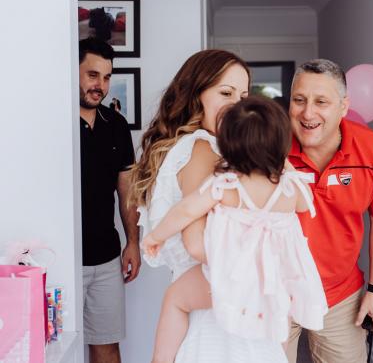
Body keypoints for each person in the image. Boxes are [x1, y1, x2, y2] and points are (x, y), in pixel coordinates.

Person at [141, 96, 328, 362]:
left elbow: (186, 211)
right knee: (278, 321)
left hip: (232, 277)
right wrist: (283, 163)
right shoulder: (290, 190)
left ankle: (161, 360)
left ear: (228, 145)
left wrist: (155, 236)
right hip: (273, 281)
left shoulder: (227, 185)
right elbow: (304, 201)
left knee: (175, 299)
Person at [130, 49, 287, 363]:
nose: (235, 105)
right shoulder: (203, 148)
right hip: (219, 310)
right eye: (225, 92)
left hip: (216, 301)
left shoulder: (211, 149)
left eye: (242, 96)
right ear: (194, 96)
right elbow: (197, 242)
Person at [285, 59, 373, 363]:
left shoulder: (371, 149)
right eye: (299, 100)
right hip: (275, 293)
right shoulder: (268, 146)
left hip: (340, 295)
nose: (307, 112)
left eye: (321, 102)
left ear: (343, 106)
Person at [78, 37, 141, 363]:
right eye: (92, 75)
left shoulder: (116, 125)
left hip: (105, 258)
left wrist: (133, 242)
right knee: (57, 348)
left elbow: (127, 190)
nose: (100, 86)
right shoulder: (52, 124)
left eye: (105, 77)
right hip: (62, 260)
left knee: (106, 347)